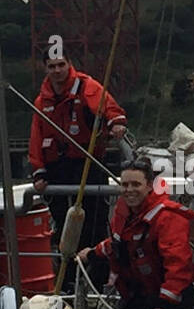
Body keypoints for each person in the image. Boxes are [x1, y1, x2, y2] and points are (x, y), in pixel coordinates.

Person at [76, 158, 194, 309]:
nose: (130, 190)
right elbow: (119, 244)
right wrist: (92, 253)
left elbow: (179, 265)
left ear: (150, 186)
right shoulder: (125, 214)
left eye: (136, 184)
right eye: (125, 184)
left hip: (170, 299)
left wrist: (164, 305)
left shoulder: (167, 217)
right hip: (140, 297)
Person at [28, 52, 128, 247]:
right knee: (60, 220)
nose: (57, 70)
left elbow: (107, 107)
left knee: (94, 221)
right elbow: (36, 138)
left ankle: (96, 267)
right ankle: (66, 267)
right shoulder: (42, 101)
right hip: (56, 167)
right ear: (45, 69)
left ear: (69, 64)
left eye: (61, 65)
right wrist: (38, 171)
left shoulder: (87, 87)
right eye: (52, 66)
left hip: (88, 163)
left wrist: (116, 123)